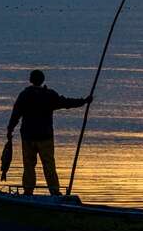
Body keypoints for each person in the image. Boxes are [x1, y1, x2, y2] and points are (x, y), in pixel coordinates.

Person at [7, 69, 92, 197]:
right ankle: (54, 191)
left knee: (29, 165)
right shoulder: (49, 95)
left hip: (28, 137)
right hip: (45, 137)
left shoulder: (25, 95)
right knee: (49, 165)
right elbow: (66, 102)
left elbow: (16, 114)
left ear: (30, 80)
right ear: (43, 80)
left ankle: (28, 191)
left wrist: (10, 129)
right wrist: (84, 101)